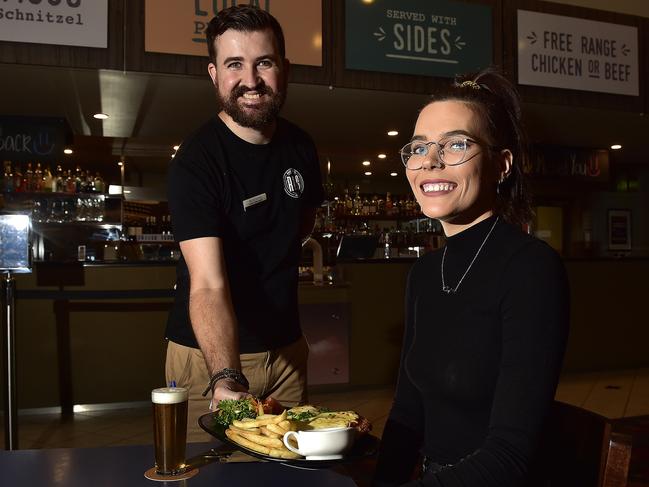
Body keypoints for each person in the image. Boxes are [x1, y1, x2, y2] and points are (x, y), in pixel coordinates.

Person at [372, 68, 569, 486]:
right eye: (420, 147)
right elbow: (408, 413)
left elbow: (510, 456)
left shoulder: (531, 268)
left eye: (456, 144)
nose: (431, 161)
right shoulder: (425, 273)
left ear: (502, 165)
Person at [165, 5, 324, 441]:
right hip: (210, 360)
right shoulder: (196, 163)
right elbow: (208, 284)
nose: (251, 80)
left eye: (264, 63)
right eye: (235, 64)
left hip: (287, 352)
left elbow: (301, 225)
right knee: (216, 477)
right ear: (214, 74)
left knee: (289, 470)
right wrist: (226, 376)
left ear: (285, 69)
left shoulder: (302, 147)